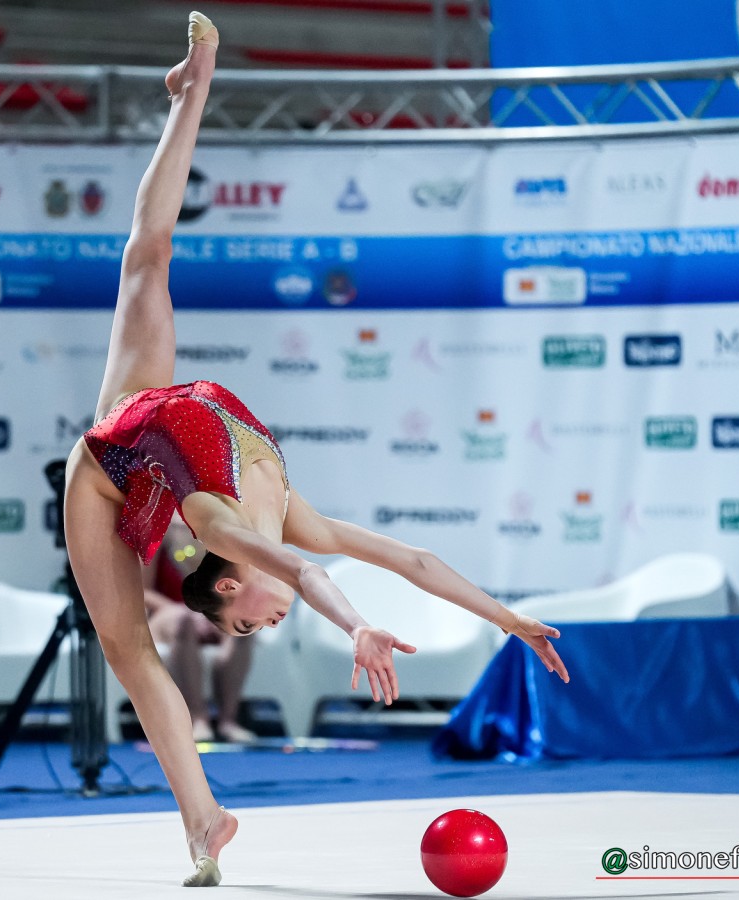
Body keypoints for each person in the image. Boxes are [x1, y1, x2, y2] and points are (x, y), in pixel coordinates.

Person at [62, 13, 571, 887]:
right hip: (125, 452)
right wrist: (493, 616)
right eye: (254, 631)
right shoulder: (282, 517)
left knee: (148, 255)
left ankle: (190, 92)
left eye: (246, 622)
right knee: (127, 648)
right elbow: (389, 560)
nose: (265, 625)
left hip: (117, 444)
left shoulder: (219, 527)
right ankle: (204, 818)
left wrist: (436, 621)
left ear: (230, 582)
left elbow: (333, 571)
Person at [144, 516, 257, 744]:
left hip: (205, 613)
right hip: (165, 615)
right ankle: (197, 719)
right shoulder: (155, 527)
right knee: (183, 620)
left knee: (243, 622)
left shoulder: (215, 522)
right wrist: (190, 613)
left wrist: (211, 613)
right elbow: (142, 591)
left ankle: (228, 720)